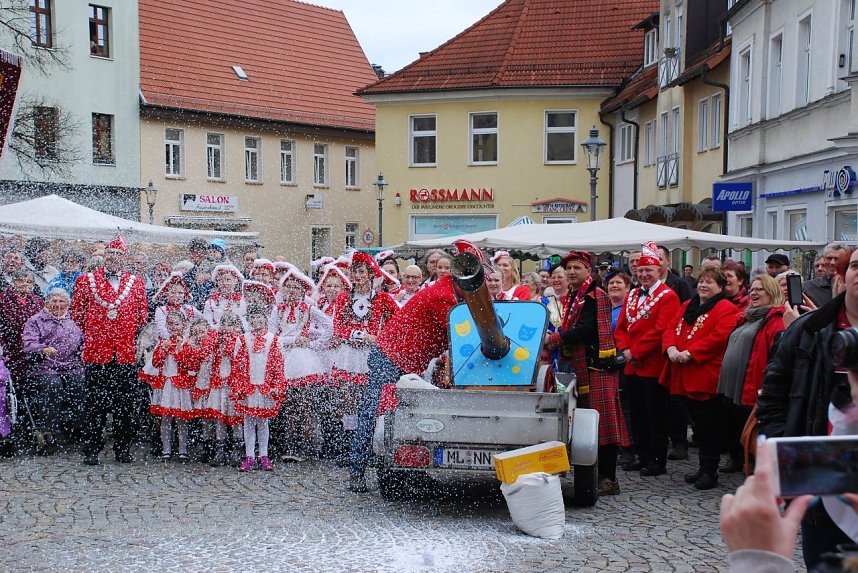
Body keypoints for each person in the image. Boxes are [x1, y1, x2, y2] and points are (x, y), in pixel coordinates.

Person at [757, 247, 858, 568]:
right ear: (841, 276)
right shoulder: (807, 330)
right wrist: (786, 456)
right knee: (829, 564)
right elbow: (772, 399)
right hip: (821, 478)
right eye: (856, 266)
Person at [348, 270, 463, 492]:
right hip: (391, 358)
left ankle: (410, 475)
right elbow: (458, 333)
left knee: (405, 417)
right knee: (373, 413)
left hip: (402, 360)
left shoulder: (448, 291)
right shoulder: (444, 296)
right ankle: (357, 471)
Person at [545, 251, 629, 496]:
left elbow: (585, 329)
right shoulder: (576, 295)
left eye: (577, 268)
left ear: (588, 271)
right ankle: (595, 472)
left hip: (597, 367)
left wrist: (556, 339)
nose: (571, 272)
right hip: (583, 366)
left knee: (602, 424)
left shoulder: (595, 295)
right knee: (586, 423)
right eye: (569, 268)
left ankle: (609, 478)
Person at [71, 233, 150, 465]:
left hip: (124, 353)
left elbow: (142, 315)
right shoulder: (86, 280)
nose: (114, 258)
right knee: (95, 403)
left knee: (124, 404)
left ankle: (123, 449)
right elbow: (77, 313)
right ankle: (91, 450)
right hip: (97, 351)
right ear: (105, 256)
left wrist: (123, 331)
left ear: (124, 258)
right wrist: (99, 330)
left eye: (119, 254)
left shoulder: (136, 283)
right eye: (111, 254)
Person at [660, 267, 738, 489]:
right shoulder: (688, 305)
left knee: (708, 426)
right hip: (683, 372)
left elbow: (718, 338)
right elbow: (671, 328)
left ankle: (709, 471)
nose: (703, 286)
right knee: (698, 425)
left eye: (709, 283)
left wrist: (691, 353)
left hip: (705, 374)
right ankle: (703, 469)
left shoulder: (726, 308)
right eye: (701, 282)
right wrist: (671, 348)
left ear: (720, 287)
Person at [614, 241, 680, 477]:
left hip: (652, 365)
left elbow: (662, 330)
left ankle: (657, 460)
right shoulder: (631, 294)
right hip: (632, 364)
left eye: (648, 270)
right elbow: (621, 326)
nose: (643, 274)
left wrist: (635, 352)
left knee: (656, 414)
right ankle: (642, 456)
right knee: (637, 413)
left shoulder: (668, 296)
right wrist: (625, 349)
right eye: (640, 270)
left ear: (659, 271)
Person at [330, 252, 398, 465]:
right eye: (354, 272)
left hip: (371, 356)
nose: (357, 276)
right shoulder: (343, 297)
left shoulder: (383, 299)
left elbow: (398, 323)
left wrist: (379, 338)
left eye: (361, 272)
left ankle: (368, 447)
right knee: (347, 400)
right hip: (349, 354)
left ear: (371, 274)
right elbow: (338, 328)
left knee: (369, 401)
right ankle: (349, 447)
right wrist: (359, 335)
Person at [717, 274, 785, 474]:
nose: (753, 293)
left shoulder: (775, 319)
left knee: (750, 428)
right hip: (733, 383)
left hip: (752, 384)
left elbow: (776, 355)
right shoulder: (748, 315)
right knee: (734, 423)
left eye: (759, 289)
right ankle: (738, 459)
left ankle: (756, 469)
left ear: (771, 292)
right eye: (752, 289)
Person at [270, 266, 332, 461]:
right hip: (284, 358)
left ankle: (305, 446)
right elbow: (273, 336)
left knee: (305, 404)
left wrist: (315, 344)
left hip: (304, 361)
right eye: (288, 287)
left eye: (296, 288)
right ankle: (290, 445)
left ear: (303, 290)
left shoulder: (309, 309)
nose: (291, 291)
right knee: (288, 406)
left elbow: (329, 326)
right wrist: (292, 340)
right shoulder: (277, 309)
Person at [21, 288, 85, 454]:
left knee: (81, 382)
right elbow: (28, 344)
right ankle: (50, 430)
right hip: (45, 366)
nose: (57, 305)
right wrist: (43, 349)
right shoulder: (35, 321)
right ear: (46, 303)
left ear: (67, 304)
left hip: (71, 365)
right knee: (53, 385)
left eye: (61, 301)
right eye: (53, 301)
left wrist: (84, 351)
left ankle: (76, 425)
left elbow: (82, 343)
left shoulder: (73, 321)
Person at [230, 306, 286, 472]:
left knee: (263, 422)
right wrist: (239, 385)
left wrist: (276, 385)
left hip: (266, 386)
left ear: (266, 319)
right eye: (253, 318)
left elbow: (278, 365)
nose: (256, 321)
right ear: (248, 320)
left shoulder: (274, 339)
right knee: (248, 421)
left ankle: (263, 454)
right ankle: (249, 456)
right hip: (248, 386)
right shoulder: (242, 339)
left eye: (259, 317)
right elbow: (237, 365)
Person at [142, 310, 195, 461]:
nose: (173, 327)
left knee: (181, 419)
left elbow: (189, 365)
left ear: (183, 325)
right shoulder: (162, 343)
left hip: (180, 385)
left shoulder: (186, 343)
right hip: (165, 384)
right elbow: (156, 363)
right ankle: (166, 449)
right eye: (170, 324)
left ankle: (183, 449)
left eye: (176, 324)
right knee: (165, 418)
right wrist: (163, 351)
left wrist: (178, 352)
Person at [0, 269, 45, 392]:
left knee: (33, 385)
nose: (25, 284)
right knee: (14, 386)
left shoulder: (38, 301)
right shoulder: (3, 299)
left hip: (33, 350)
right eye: (21, 281)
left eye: (29, 282)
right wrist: (4, 348)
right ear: (13, 282)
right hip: (11, 348)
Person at [804, 241, 849, 307]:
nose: (832, 262)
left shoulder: (854, 286)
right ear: (824, 259)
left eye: (837, 259)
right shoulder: (808, 287)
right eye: (829, 258)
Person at [203, 264, 247, 329]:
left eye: (228, 280)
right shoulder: (210, 302)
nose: (224, 283)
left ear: (236, 280)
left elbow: (247, 322)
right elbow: (207, 324)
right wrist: (222, 330)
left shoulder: (244, 300)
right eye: (221, 280)